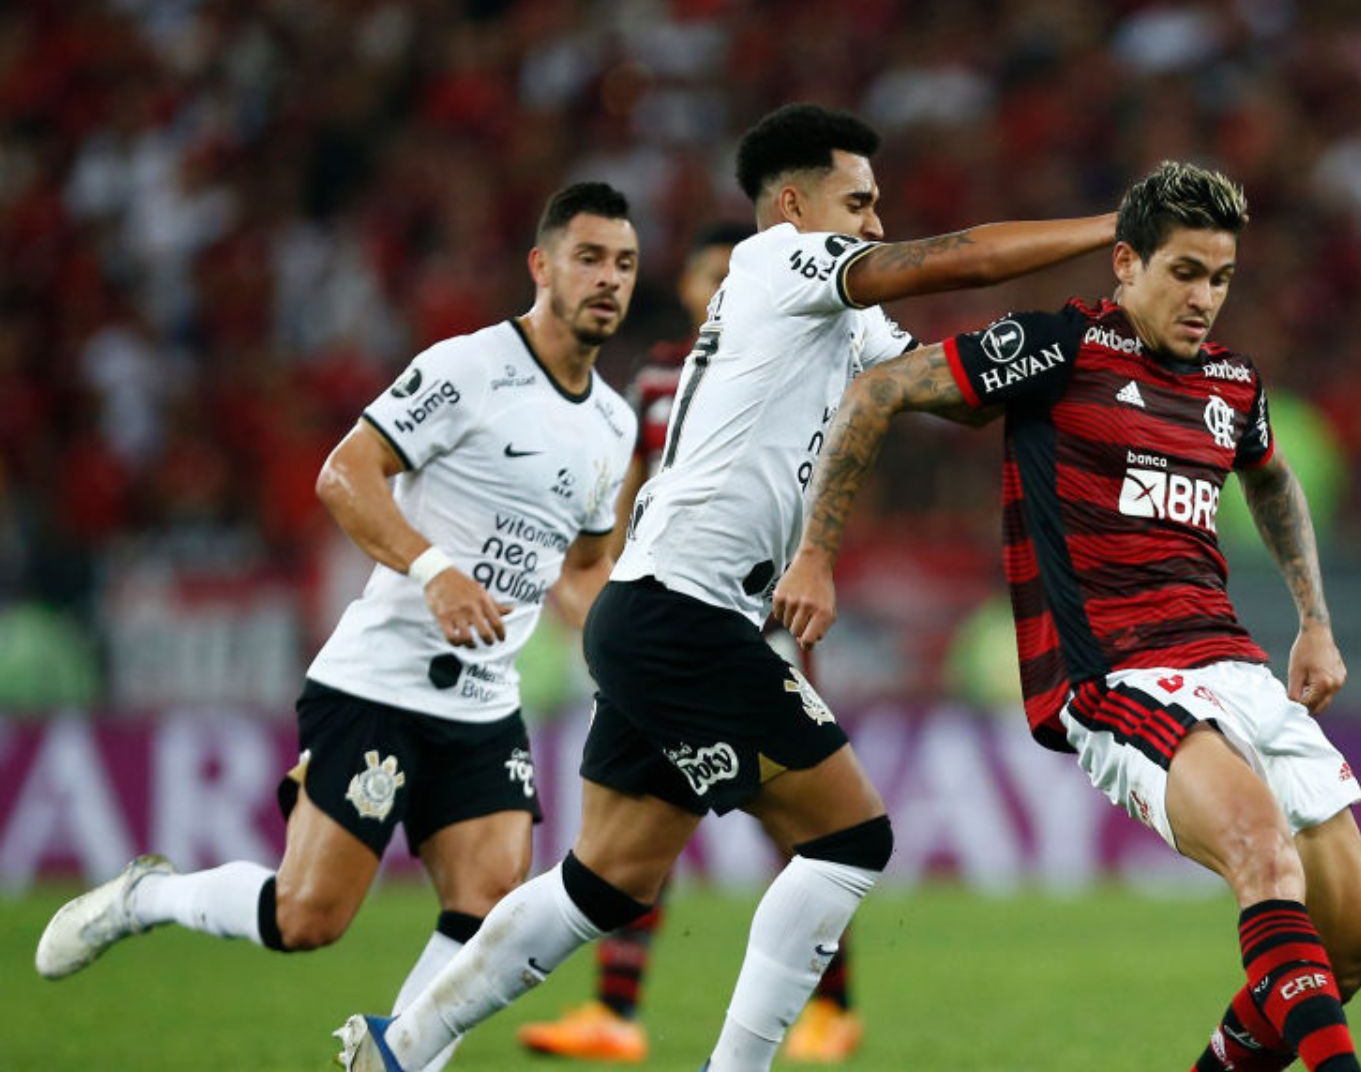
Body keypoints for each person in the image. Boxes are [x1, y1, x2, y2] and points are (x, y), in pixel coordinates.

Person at [336, 103, 1116, 1072]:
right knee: (851, 837)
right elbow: (956, 258)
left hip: (659, 612)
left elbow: (938, 390)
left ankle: (400, 1046)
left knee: (604, 883)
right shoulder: (778, 261)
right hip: (685, 613)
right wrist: (1113, 228)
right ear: (793, 206)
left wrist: (1069, 347)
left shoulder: (840, 316)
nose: (876, 223)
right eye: (858, 203)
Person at [775, 161, 1361, 1072]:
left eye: (1220, 278)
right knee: (1263, 854)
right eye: (1184, 272)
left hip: (1237, 667)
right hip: (1118, 675)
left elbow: (1273, 480)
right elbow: (878, 390)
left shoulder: (1233, 384)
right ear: (1127, 263)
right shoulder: (1058, 348)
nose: (1203, 298)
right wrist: (816, 554)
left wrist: (1315, 621)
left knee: (1353, 947)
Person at [36, 183, 644, 1071]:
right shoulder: (470, 368)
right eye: (589, 258)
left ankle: (392, 1059)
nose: (609, 279)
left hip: (484, 702)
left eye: (624, 263)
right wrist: (435, 572)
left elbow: (586, 569)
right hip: (379, 683)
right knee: (308, 916)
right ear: (541, 266)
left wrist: (633, 656)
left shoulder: (614, 425)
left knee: (489, 902)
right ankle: (149, 897)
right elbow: (344, 472)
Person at [518, 220, 866, 1063]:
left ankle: (832, 1007)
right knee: (647, 818)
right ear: (686, 287)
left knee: (800, 824)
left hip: (756, 628)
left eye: (732, 277)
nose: (722, 291)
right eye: (711, 276)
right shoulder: (657, 378)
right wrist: (601, 584)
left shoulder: (797, 361)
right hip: (666, 622)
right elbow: (631, 490)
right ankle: (615, 1010)